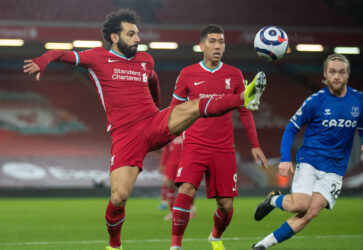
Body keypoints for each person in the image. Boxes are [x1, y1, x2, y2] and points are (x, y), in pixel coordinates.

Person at [22, 9, 267, 250]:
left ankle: (243, 97)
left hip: (154, 122)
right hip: (126, 134)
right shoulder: (96, 57)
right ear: (115, 37)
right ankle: (114, 245)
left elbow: (153, 80)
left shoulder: (146, 60)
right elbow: (58, 53)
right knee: (118, 198)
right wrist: (42, 62)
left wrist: (158, 108)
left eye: (138, 33)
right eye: (131, 34)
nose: (138, 39)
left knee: (193, 106)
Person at [250, 54, 363, 250]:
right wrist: (284, 158)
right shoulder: (315, 101)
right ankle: (273, 200)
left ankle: (261, 246)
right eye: (332, 72)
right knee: (300, 205)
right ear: (325, 74)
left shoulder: (359, 100)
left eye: (341, 72)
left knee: (310, 213)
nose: (336, 76)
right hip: (310, 161)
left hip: (335, 170)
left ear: (348, 75)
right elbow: (291, 128)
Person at [169, 24, 268, 250]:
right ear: (202, 46)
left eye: (221, 42)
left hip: (223, 148)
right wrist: (169, 134)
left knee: (225, 205)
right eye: (212, 41)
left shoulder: (234, 74)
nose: (217, 46)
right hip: (194, 143)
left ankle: (214, 237)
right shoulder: (187, 73)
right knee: (185, 190)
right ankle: (175, 246)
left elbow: (244, 109)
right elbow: (174, 108)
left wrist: (255, 145)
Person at [158, 135, 196, 220]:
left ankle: (191, 209)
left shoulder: (188, 131)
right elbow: (166, 149)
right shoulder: (171, 132)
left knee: (187, 185)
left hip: (185, 160)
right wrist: (163, 164)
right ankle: (172, 212)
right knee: (169, 183)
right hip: (172, 161)